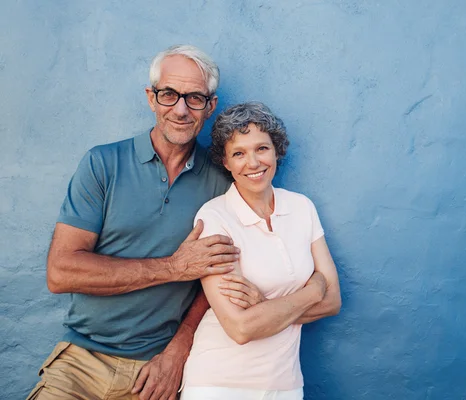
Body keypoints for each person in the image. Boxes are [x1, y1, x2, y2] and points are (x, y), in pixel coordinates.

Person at [28, 45, 264, 400]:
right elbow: (61, 273)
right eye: (169, 95)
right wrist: (173, 267)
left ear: (210, 106)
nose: (180, 110)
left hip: (160, 370)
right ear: (151, 98)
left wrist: (179, 351)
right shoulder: (102, 164)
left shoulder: (222, 181)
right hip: (81, 362)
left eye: (195, 98)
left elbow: (220, 278)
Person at [180, 102, 342, 399]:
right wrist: (313, 290)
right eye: (239, 153)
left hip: (285, 384)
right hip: (218, 384)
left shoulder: (301, 207)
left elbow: (333, 302)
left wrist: (264, 305)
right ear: (225, 162)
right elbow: (241, 328)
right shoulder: (215, 217)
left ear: (276, 150)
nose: (253, 163)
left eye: (262, 149)